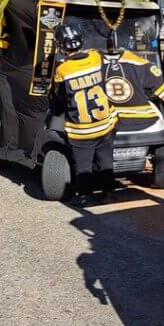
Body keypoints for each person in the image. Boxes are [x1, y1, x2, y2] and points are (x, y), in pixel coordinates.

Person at [51, 24, 117, 205]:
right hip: (104, 124)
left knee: (83, 166)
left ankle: (85, 196)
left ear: (61, 46)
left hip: (81, 130)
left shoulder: (63, 70)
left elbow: (60, 101)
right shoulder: (96, 58)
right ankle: (109, 193)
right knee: (106, 162)